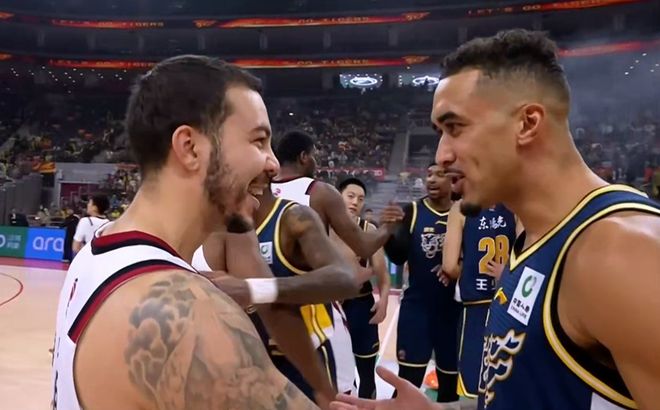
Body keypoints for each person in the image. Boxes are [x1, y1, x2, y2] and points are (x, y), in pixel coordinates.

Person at [332, 29, 660, 410]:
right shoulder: (533, 238)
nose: (441, 156)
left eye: (455, 128)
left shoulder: (621, 252)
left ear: (527, 123)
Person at [52, 55, 320, 409]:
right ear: (190, 148)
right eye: (258, 142)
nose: (272, 164)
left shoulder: (95, 254)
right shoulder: (185, 313)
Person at [192, 174, 365, 407]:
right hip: (249, 362)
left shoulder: (294, 217)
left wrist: (254, 289)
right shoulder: (204, 226)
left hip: (309, 354)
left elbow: (346, 280)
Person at [272, 129, 404, 395]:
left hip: (269, 312)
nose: (316, 162)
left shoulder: (260, 192)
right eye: (314, 156)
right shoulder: (319, 192)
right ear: (304, 157)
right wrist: (388, 229)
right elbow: (364, 245)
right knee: (340, 392)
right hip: (314, 311)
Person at [383, 162, 461, 404]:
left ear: (454, 180)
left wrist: (454, 264)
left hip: (454, 311)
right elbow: (398, 257)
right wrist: (389, 234)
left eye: (440, 174)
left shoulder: (463, 212)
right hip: (418, 309)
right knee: (408, 381)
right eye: (429, 174)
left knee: (451, 387)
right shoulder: (413, 211)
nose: (432, 179)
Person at [441, 202, 519, 401]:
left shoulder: (460, 208)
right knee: (507, 382)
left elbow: (448, 266)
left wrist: (467, 271)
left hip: (475, 308)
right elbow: (528, 255)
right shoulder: (516, 205)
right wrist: (508, 274)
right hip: (508, 305)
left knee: (472, 387)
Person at [333, 177, 390, 399]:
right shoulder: (323, 228)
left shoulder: (369, 229)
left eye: (360, 198)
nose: (355, 202)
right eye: (350, 196)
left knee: (367, 374)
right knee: (340, 374)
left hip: (361, 306)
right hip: (333, 306)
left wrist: (383, 301)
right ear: (338, 196)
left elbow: (382, 274)